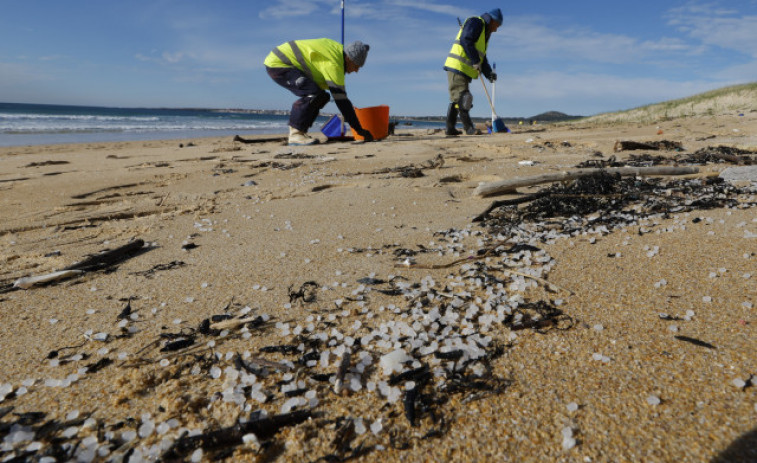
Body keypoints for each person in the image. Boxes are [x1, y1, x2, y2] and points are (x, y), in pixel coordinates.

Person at [265, 38, 374, 146]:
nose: (356, 71)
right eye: (356, 66)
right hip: (279, 62)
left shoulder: (338, 53)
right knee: (313, 94)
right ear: (349, 59)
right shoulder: (334, 64)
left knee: (322, 96)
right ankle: (295, 134)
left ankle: (301, 133)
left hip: (287, 62)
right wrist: (359, 130)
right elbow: (342, 102)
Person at [443, 8, 502, 136]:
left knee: (457, 99)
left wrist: (488, 74)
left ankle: (450, 128)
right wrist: (475, 60)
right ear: (492, 20)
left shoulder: (484, 33)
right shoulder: (476, 22)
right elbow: (466, 40)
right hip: (457, 65)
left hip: (463, 69)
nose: (496, 29)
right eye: (496, 26)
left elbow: (482, 57)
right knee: (464, 98)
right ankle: (469, 128)